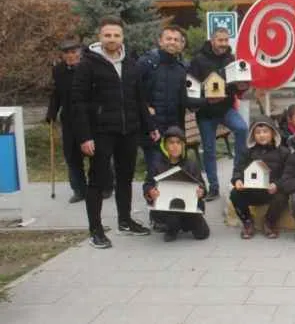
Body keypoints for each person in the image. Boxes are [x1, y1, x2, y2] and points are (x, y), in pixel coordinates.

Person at [72, 16, 157, 249]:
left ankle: (125, 220)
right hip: (100, 132)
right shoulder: (87, 64)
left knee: (125, 177)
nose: (112, 39)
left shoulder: (130, 63)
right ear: (100, 37)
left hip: (128, 130)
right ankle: (96, 230)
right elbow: (77, 103)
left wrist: (150, 126)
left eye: (116, 35)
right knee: (98, 181)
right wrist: (84, 137)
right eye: (107, 35)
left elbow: (139, 98)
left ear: (122, 37)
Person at [187, 27, 249, 200]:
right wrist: (206, 96)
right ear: (212, 40)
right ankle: (214, 187)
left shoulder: (230, 59)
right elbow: (190, 86)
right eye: (220, 40)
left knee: (242, 128)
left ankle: (236, 176)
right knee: (209, 150)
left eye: (225, 40)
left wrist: (240, 87)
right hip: (206, 113)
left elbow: (235, 84)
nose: (223, 44)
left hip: (226, 109)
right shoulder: (199, 60)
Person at [143, 126, 209, 242]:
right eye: (171, 143)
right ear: (165, 146)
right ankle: (171, 228)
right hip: (167, 208)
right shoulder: (156, 164)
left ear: (183, 146)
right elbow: (147, 184)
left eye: (178, 143)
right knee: (172, 220)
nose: (175, 146)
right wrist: (150, 192)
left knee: (202, 234)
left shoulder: (191, 164)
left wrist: (201, 191)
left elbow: (202, 185)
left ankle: (182, 224)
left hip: (189, 206)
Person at [137, 26, 188, 175]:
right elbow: (135, 92)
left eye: (176, 40)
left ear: (181, 44)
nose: (172, 42)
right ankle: (153, 197)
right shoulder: (147, 63)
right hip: (152, 127)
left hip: (174, 128)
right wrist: (146, 110)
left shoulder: (181, 68)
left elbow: (185, 99)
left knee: (174, 171)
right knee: (155, 170)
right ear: (160, 41)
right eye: (168, 39)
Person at [229, 117, 290, 239]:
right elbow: (238, 169)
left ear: (273, 133)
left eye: (265, 131)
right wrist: (238, 180)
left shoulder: (283, 152)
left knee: (282, 196)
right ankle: (247, 221)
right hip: (252, 190)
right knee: (235, 194)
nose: (262, 135)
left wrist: (277, 185)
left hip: (271, 191)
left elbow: (288, 174)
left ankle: (269, 222)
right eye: (258, 132)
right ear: (253, 135)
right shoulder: (248, 152)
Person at [46, 39, 88, 203]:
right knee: (72, 155)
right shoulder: (58, 70)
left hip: (89, 118)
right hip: (69, 119)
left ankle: (105, 186)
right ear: (62, 55)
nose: (70, 56)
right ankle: (79, 190)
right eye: (66, 53)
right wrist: (51, 113)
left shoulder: (88, 68)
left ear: (79, 52)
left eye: (73, 52)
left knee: (97, 154)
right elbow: (56, 94)